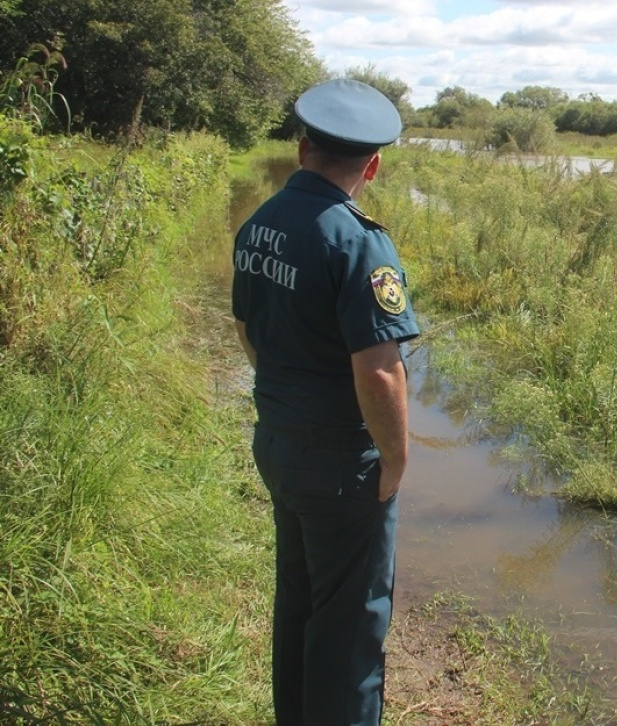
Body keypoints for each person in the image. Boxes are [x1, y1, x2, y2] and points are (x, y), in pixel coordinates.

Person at [232, 78, 419, 726]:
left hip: (278, 444)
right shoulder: (359, 243)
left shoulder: (258, 224)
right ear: (373, 165)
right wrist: (393, 461)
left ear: (302, 147)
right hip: (342, 467)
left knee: (301, 599)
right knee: (350, 630)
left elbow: (249, 331)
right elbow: (380, 377)